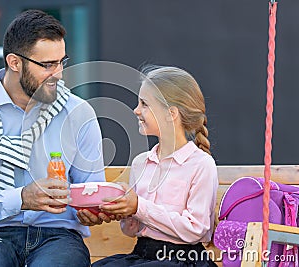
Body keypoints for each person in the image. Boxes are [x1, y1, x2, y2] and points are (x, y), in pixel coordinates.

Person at [0, 9, 105, 267]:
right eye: (47, 65)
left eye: (61, 62)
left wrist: (92, 210)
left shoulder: (78, 112)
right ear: (14, 62)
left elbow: (91, 189)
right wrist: (22, 198)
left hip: (59, 236)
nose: (59, 74)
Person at [92, 66, 219, 267]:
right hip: (143, 255)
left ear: (171, 114)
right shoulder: (141, 162)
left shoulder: (201, 164)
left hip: (182, 260)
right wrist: (126, 214)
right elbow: (133, 230)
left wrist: (139, 207)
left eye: (144, 104)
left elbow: (197, 229)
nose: (136, 110)